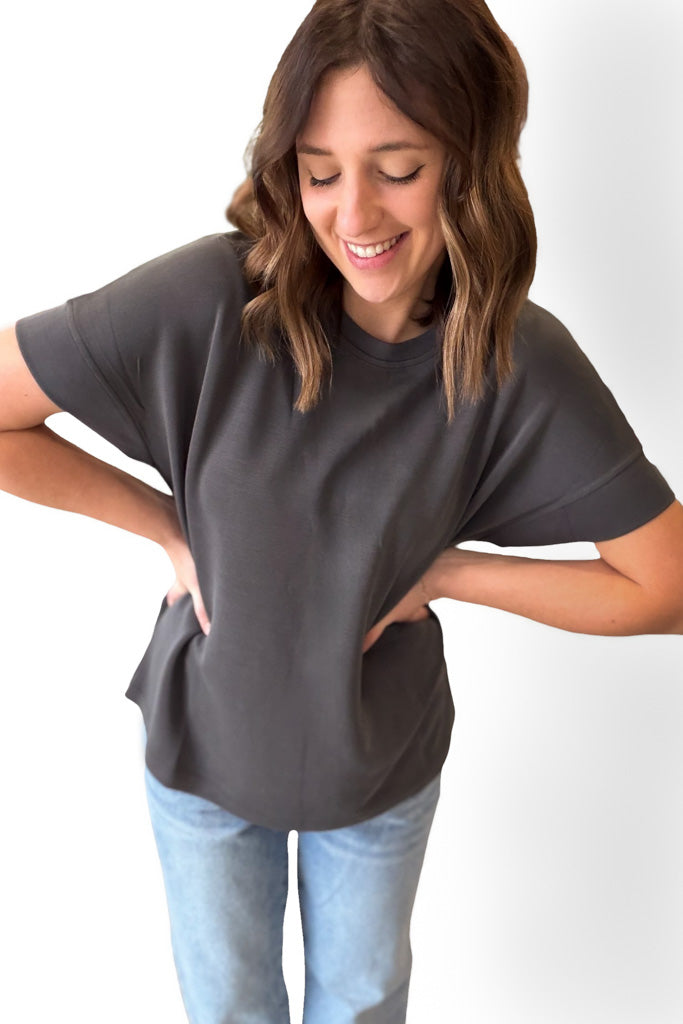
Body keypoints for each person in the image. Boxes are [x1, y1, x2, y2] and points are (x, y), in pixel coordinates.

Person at [1, 0, 681, 1022]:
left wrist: (445, 571)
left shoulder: (515, 361)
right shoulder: (204, 301)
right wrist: (168, 526)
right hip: (204, 755)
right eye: (319, 172)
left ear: (469, 162)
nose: (353, 215)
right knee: (227, 1009)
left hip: (377, 768)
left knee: (362, 1005)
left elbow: (665, 586)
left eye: (397, 168)